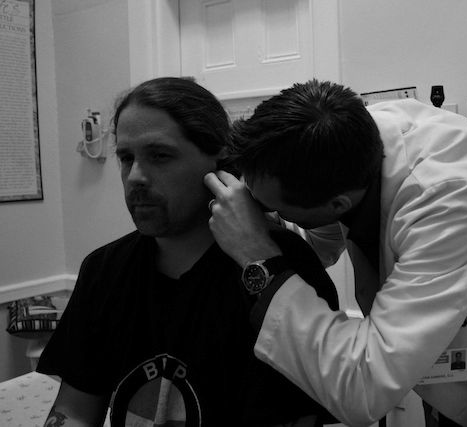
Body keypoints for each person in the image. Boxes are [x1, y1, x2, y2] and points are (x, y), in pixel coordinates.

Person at [204, 79, 467, 427]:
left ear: (337, 203)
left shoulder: (452, 198)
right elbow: (327, 239)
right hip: (452, 371)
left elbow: (364, 389)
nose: (266, 215)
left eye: (276, 209)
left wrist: (258, 254)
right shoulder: (350, 140)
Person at [36, 77, 338, 426]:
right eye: (126, 158)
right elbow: (74, 411)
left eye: (159, 156)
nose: (135, 177)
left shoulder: (277, 269)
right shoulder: (104, 271)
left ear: (219, 160)